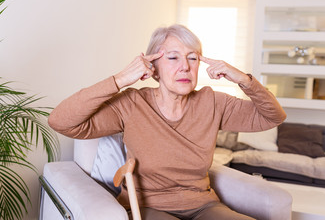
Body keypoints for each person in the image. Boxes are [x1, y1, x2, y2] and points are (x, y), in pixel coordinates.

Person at [48, 24, 286, 220]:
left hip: (204, 207)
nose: (185, 66)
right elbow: (61, 121)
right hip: (150, 208)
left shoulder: (212, 102)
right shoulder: (132, 104)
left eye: (193, 58)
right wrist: (119, 80)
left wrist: (244, 79)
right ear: (154, 69)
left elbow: (272, 117)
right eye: (173, 57)